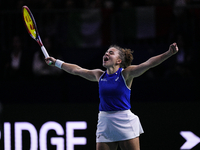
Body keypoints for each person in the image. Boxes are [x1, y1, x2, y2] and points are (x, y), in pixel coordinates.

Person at [45, 43, 179, 150]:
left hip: (124, 120)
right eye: (106, 52)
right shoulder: (99, 75)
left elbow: (148, 63)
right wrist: (56, 62)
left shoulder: (126, 74)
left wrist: (169, 53)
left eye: (111, 52)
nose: (106, 53)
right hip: (105, 121)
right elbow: (77, 70)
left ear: (119, 60)